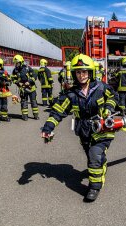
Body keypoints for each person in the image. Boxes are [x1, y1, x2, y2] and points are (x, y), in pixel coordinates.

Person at [41, 54, 118, 202]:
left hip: (102, 128)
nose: (81, 75)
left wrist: (108, 108)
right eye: (78, 72)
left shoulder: (101, 88)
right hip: (84, 131)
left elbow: (114, 97)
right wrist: (48, 127)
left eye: (84, 72)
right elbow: (57, 111)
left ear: (90, 72)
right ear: (74, 74)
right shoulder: (71, 94)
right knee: (92, 156)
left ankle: (94, 187)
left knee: (94, 156)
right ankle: (101, 165)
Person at [11, 54, 39, 120]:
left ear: (21, 62)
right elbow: (13, 79)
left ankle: (35, 115)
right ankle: (25, 116)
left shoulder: (27, 68)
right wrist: (18, 83)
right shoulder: (15, 70)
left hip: (31, 88)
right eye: (15, 63)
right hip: (22, 89)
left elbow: (34, 76)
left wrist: (29, 81)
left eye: (17, 63)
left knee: (33, 102)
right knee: (24, 103)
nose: (16, 64)